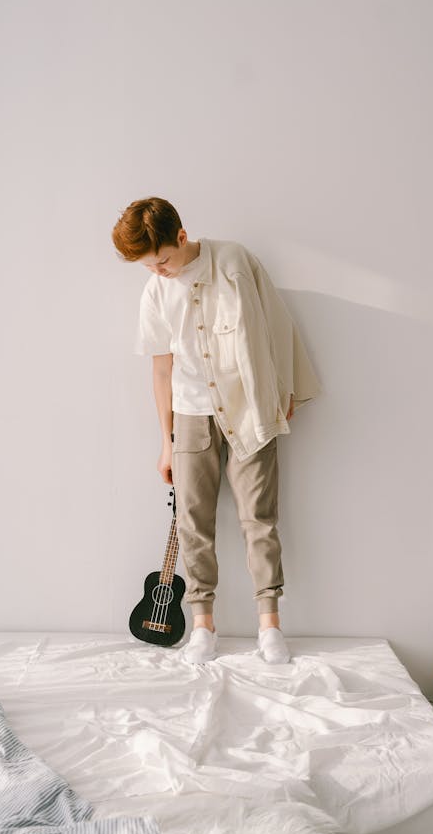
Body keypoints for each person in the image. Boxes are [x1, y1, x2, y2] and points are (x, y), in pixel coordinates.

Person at [112, 197, 320, 664]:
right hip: (189, 415)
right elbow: (162, 371)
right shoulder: (155, 292)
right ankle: (202, 625)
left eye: (162, 260)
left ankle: (269, 625)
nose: (159, 272)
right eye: (149, 267)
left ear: (181, 237)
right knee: (193, 522)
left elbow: (276, 324)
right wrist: (165, 442)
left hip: (249, 408)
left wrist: (283, 388)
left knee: (259, 518)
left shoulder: (235, 261)